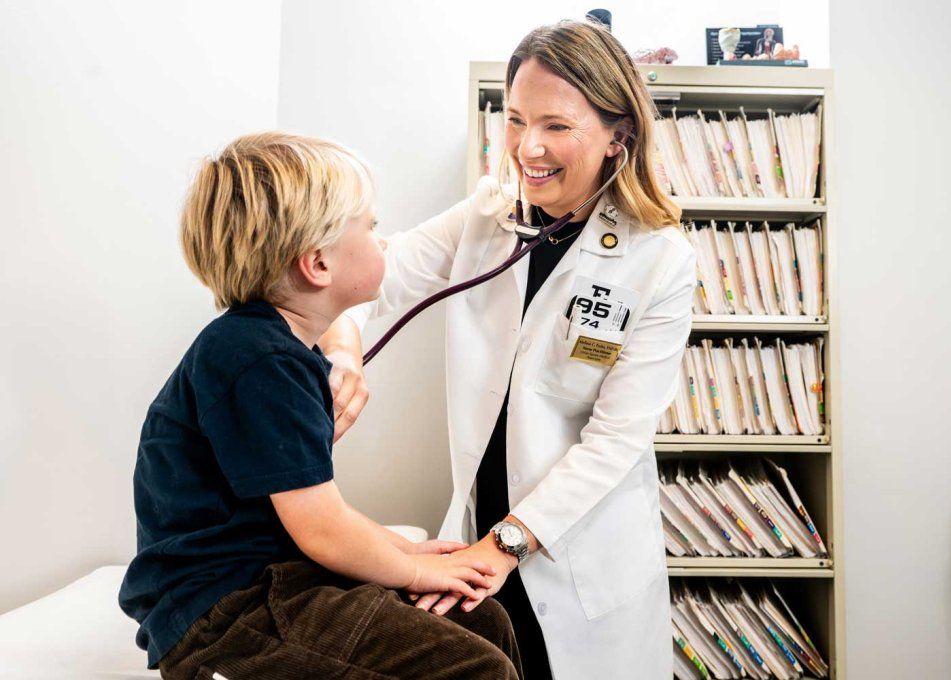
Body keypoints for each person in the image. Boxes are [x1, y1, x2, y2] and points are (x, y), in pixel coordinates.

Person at [321, 19, 696, 680]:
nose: (528, 147)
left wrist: (508, 544)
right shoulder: (487, 219)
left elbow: (615, 440)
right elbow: (363, 279)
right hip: (476, 540)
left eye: (556, 125)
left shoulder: (659, 261)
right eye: (517, 119)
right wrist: (343, 354)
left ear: (619, 136)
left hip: (574, 552)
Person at [118, 132, 522, 679]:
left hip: (273, 581)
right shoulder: (257, 359)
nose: (384, 243)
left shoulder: (279, 351)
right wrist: (409, 570)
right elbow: (322, 528)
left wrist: (405, 554)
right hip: (225, 614)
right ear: (317, 265)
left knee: (482, 621)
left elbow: (311, 512)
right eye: (373, 229)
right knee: (474, 665)